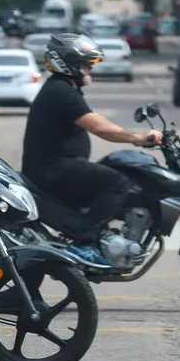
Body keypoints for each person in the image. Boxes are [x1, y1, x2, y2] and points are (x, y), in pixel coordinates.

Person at [21, 33, 163, 268]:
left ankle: (99, 235)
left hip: (56, 167)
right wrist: (137, 138)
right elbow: (97, 125)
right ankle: (84, 242)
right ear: (69, 64)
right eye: (86, 64)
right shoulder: (61, 92)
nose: (90, 69)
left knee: (113, 170)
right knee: (118, 182)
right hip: (53, 170)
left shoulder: (63, 89)